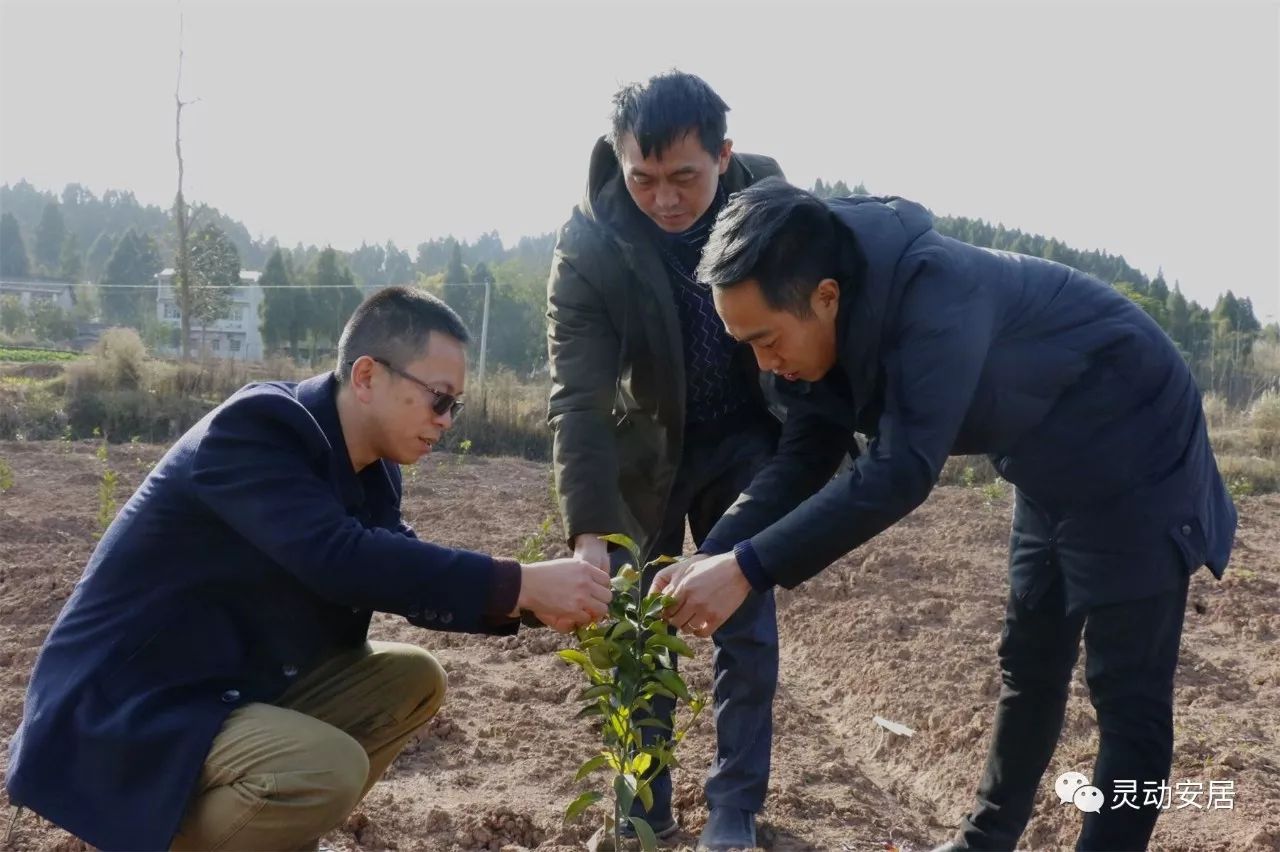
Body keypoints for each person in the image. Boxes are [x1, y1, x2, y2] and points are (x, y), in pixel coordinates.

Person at [654, 179, 1236, 852]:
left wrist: (748, 570)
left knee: (1126, 695)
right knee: (1031, 658)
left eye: (767, 340)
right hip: (1046, 460)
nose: (766, 364)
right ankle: (985, 841)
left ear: (826, 298)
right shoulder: (821, 333)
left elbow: (900, 472)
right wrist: (713, 554)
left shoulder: (932, 296)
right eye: (745, 345)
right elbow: (801, 459)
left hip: (1139, 445)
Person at [5, 287, 611, 851]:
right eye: (439, 399)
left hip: (223, 688)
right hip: (128, 708)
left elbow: (395, 567)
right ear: (368, 375)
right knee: (324, 770)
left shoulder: (371, 470)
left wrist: (538, 601)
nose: (447, 419)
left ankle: (269, 832)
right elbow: (337, 557)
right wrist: (522, 579)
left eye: (456, 405)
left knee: (411, 679)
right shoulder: (256, 431)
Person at [546, 70, 804, 850]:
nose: (664, 199)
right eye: (645, 178)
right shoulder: (590, 241)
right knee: (637, 622)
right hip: (648, 445)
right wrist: (590, 527)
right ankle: (639, 809)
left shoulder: (777, 206)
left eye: (684, 177)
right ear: (620, 160)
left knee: (741, 607)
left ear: (723, 156)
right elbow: (577, 398)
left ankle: (733, 810)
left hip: (744, 434)